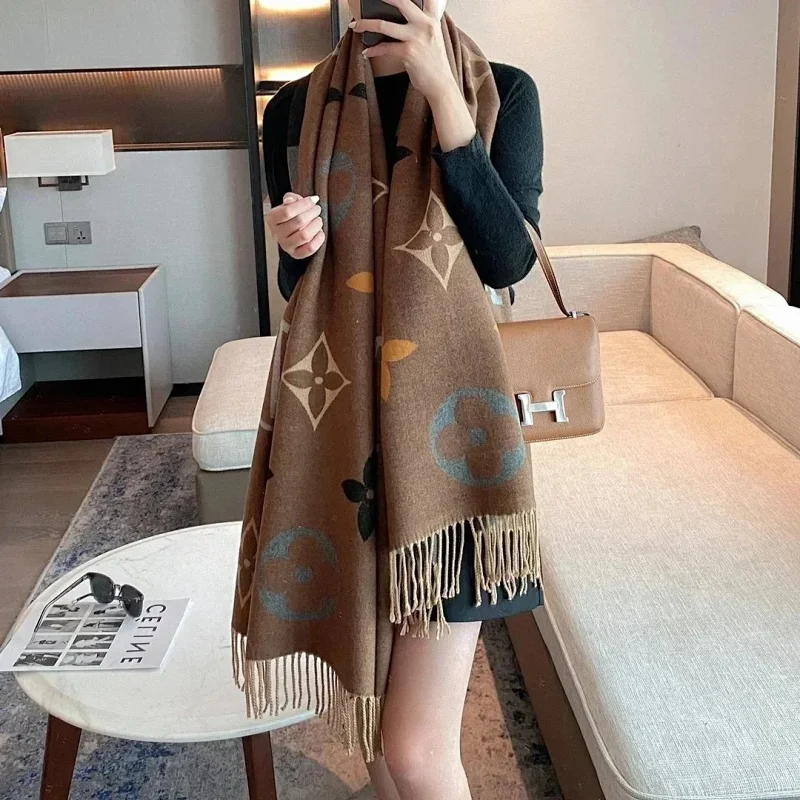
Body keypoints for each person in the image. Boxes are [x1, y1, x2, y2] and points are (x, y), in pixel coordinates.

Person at [258, 2, 543, 798]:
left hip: (450, 447)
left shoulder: (503, 91)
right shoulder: (293, 109)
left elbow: (508, 260)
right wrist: (294, 244)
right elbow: (299, 284)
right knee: (378, 733)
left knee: (414, 750)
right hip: (340, 433)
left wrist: (443, 94)